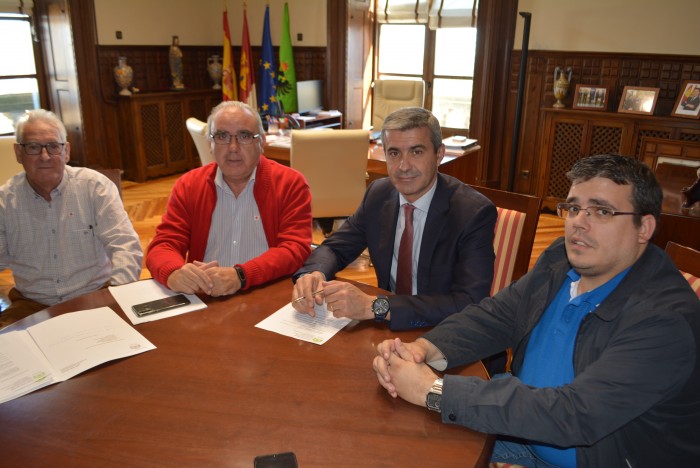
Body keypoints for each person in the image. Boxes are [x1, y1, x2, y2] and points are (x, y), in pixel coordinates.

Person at [373, 154, 700, 467]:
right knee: (393, 447)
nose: (578, 224)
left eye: (601, 212)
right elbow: (498, 315)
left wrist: (433, 391)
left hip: (594, 457)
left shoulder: (664, 321)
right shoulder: (562, 256)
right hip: (520, 431)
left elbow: (574, 414)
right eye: (573, 208)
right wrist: (424, 348)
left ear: (644, 228)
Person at [292, 107, 497, 330]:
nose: (403, 166)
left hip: (445, 333)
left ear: (439, 154)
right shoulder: (378, 195)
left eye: (416, 152)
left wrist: (376, 305)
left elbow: (469, 302)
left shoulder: (472, 213)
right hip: (388, 330)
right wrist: (315, 273)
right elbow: (335, 248)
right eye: (394, 153)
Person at [146, 100, 312, 297]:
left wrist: (241, 276)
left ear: (261, 142)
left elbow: (295, 249)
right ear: (210, 143)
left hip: (267, 294)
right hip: (206, 298)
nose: (233, 147)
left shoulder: (290, 184)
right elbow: (164, 244)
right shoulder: (189, 185)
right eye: (222, 136)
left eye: (244, 136)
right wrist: (173, 272)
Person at [0, 109, 142, 327]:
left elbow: (126, 247)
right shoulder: (5, 202)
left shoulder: (95, 187)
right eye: (33, 147)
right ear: (19, 153)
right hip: (31, 305)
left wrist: (115, 295)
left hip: (94, 296)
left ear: (66, 151)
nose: (44, 156)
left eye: (53, 146)